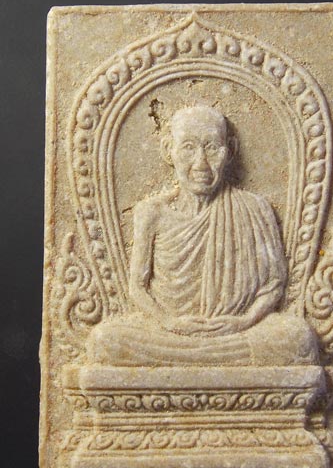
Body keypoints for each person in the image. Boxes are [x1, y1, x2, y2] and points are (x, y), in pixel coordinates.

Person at [87, 106, 318, 366]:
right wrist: (169, 322)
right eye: (188, 147)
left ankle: (185, 363)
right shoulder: (152, 212)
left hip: (237, 329)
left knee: (298, 338)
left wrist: (244, 320)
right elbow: (137, 287)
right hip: (169, 331)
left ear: (230, 150)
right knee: (105, 340)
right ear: (168, 150)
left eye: (212, 148)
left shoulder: (255, 208)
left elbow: (274, 284)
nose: (201, 164)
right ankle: (210, 362)